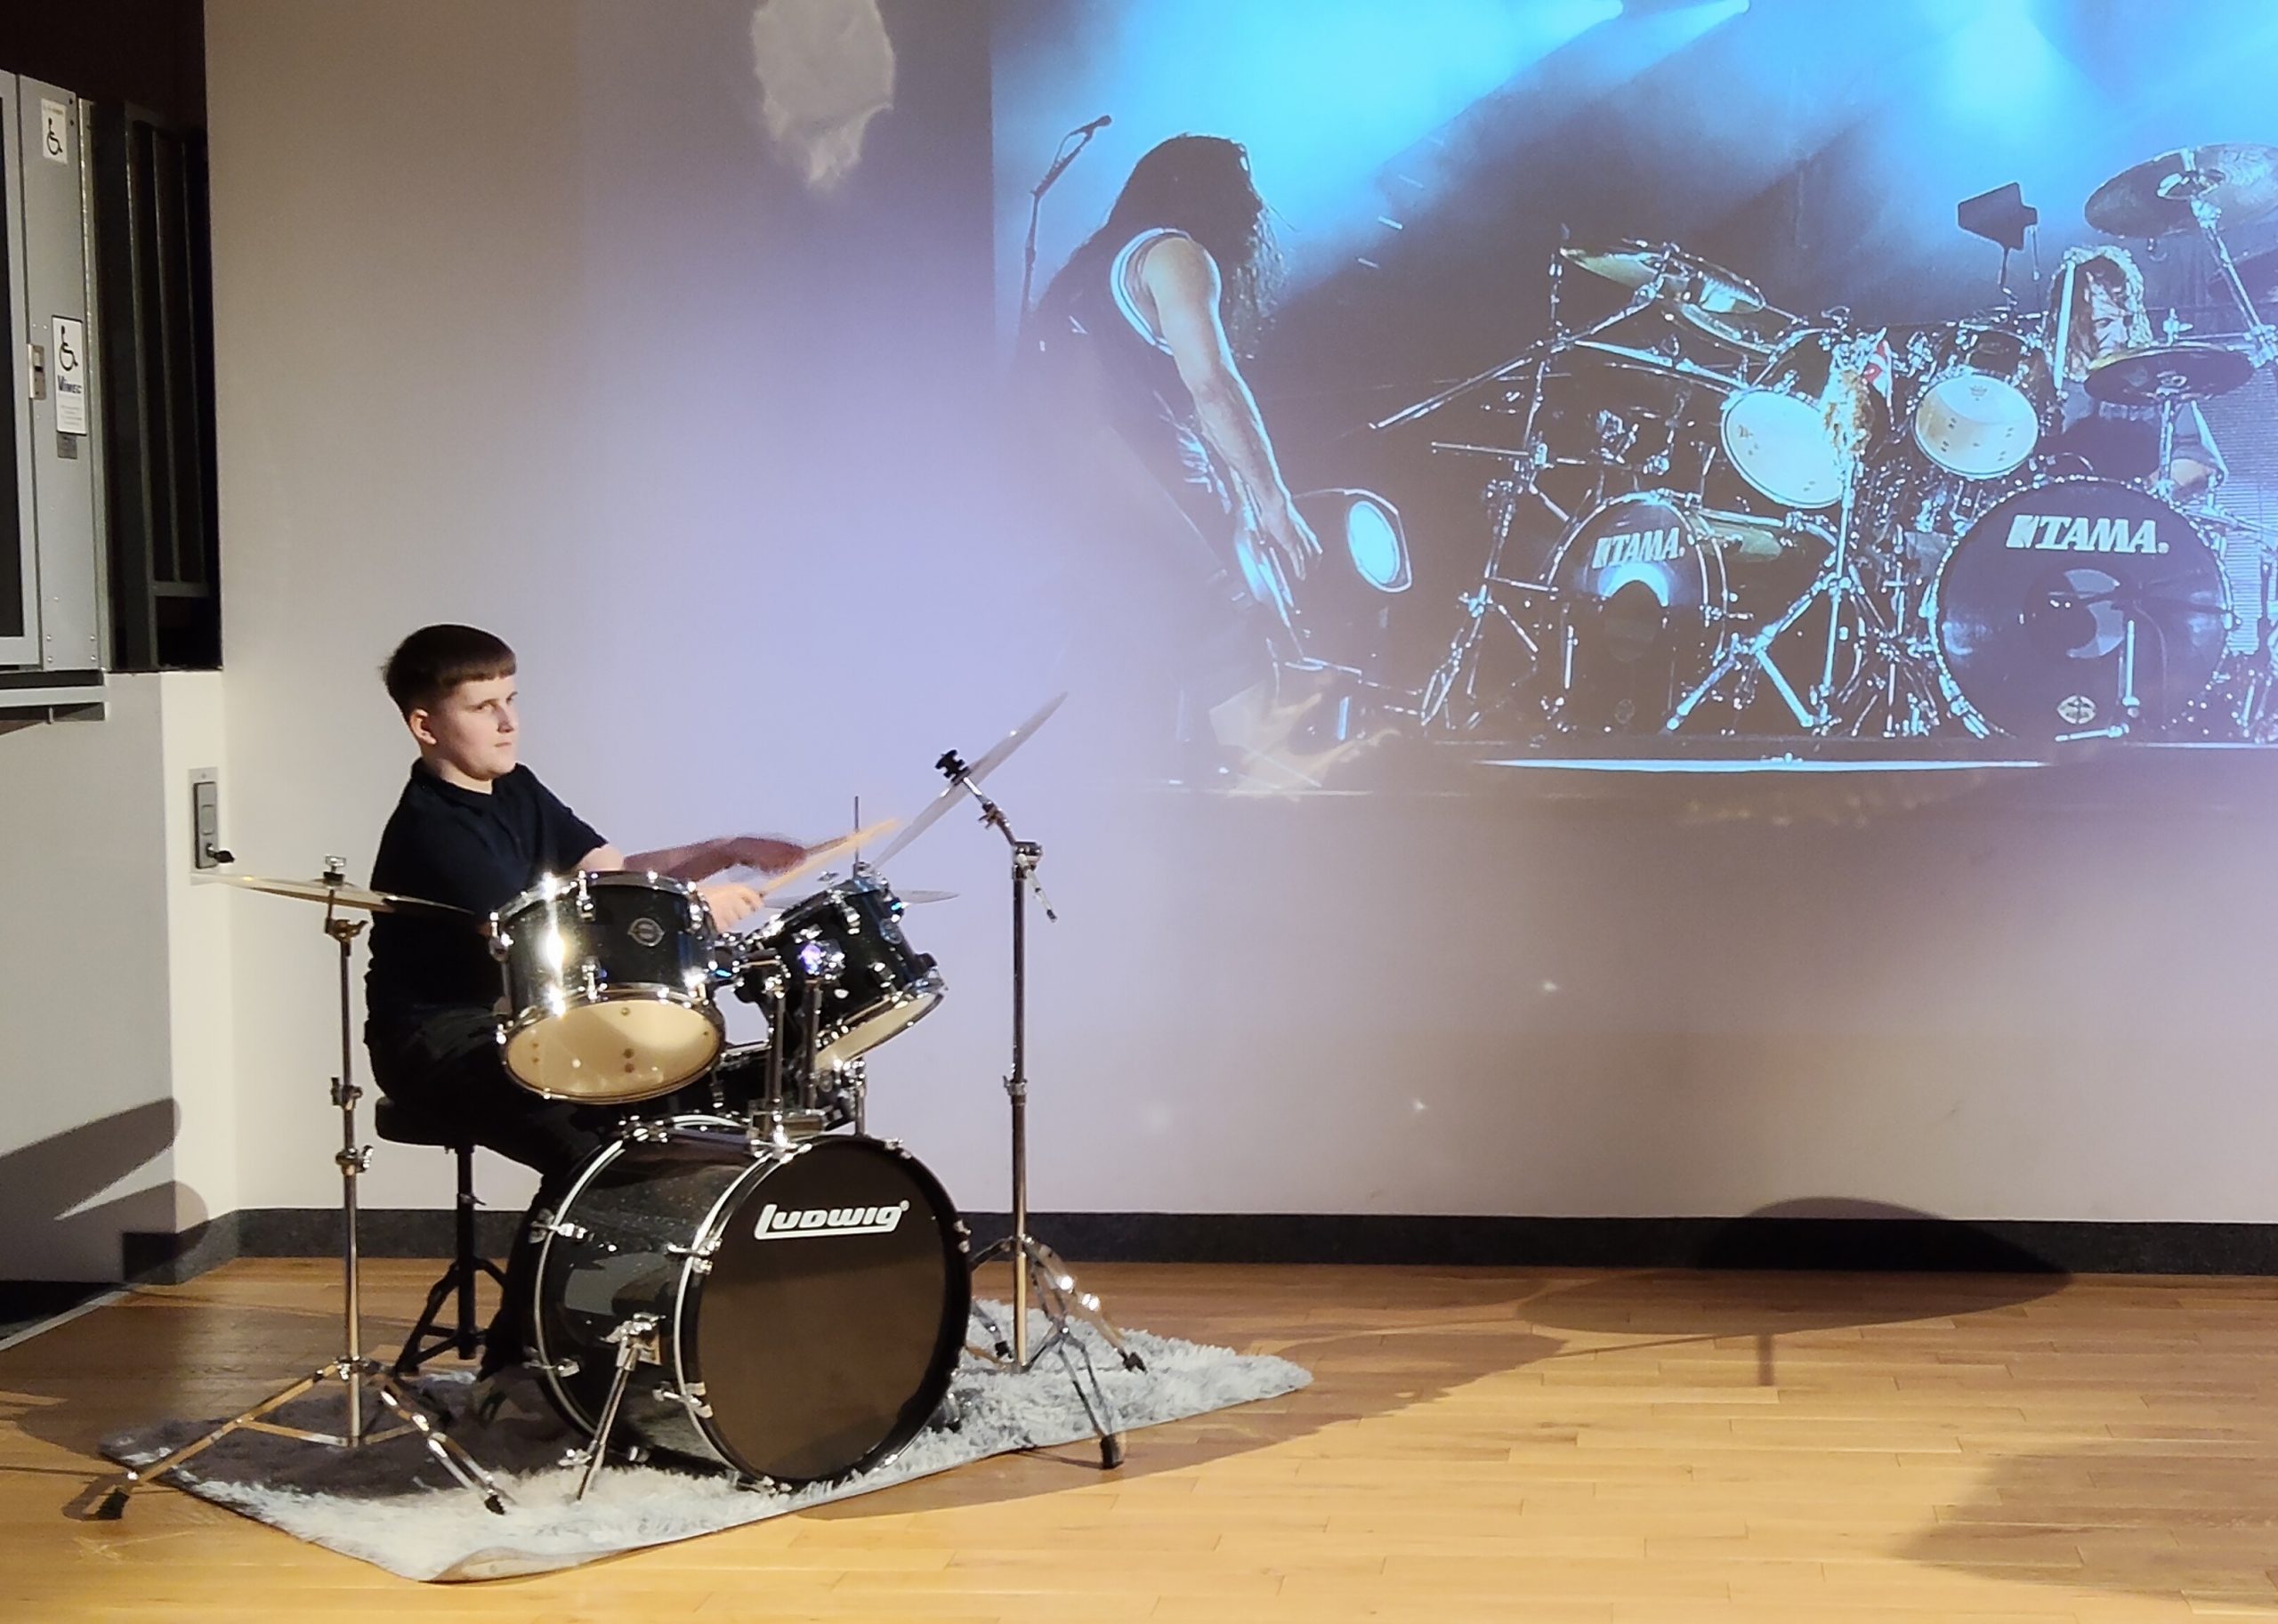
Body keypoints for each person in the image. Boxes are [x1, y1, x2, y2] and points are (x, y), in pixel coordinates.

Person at [361, 623, 810, 1378]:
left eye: (511, 700)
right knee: (595, 1149)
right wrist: (700, 906)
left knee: (671, 1115)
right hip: (437, 1040)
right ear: (426, 725)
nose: (509, 722)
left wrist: (724, 849)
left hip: (519, 1027)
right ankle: (519, 1366)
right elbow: (546, 932)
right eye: (484, 707)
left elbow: (613, 876)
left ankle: (633, 1330)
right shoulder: (431, 828)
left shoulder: (518, 788)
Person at [1022, 134, 1335, 780]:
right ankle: (1262, 809)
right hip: (1133, 480)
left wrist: (1237, 501)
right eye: (1240, 189)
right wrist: (1273, 501)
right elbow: (1213, 385)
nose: (1255, 208)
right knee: (1225, 640)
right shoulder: (1174, 254)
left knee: (1123, 660)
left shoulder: (1092, 266)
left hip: (1065, 493)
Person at [2048, 245, 2224, 499]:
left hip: (2134, 518)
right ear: (2066, 319)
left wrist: (2138, 492)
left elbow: (2201, 463)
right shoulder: (2039, 388)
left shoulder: (2156, 384)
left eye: (2127, 320)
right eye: (2103, 323)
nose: (2121, 335)